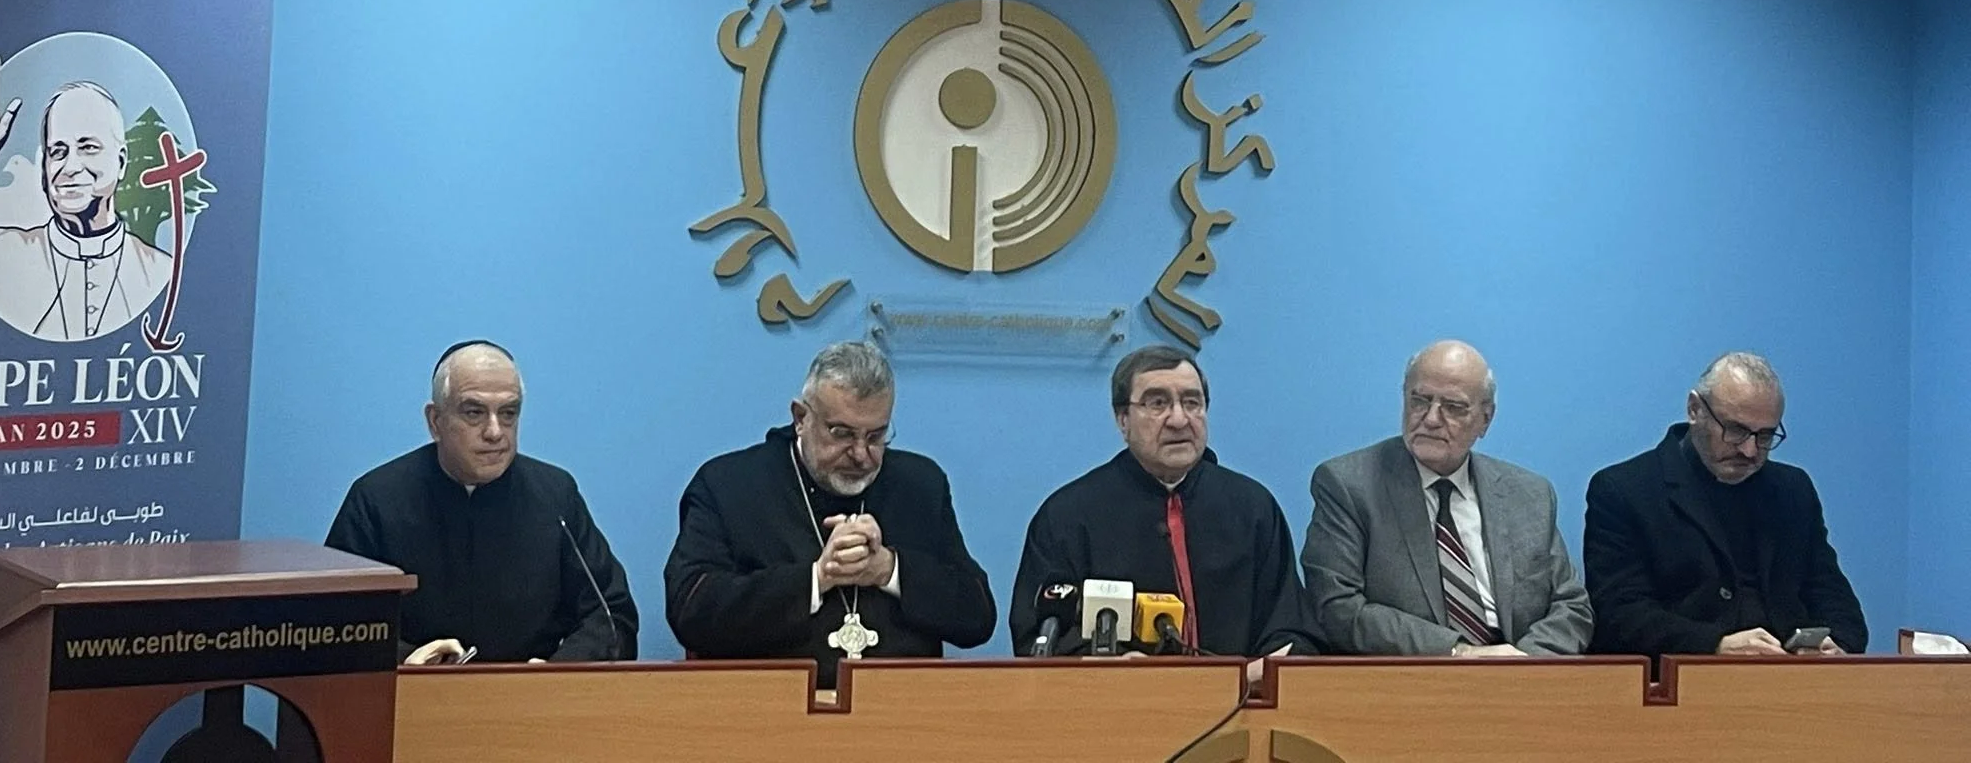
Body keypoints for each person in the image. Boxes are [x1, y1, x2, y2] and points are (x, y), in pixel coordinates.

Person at [664, 341, 995, 686]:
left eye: (876, 436)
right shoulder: (728, 486)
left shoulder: (921, 485)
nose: (861, 455)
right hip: (767, 706)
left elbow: (978, 616)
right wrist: (818, 578)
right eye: (842, 434)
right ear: (801, 418)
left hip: (900, 707)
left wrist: (889, 569)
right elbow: (690, 611)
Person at [1010, 345, 1324, 666]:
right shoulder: (1068, 515)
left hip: (1242, 692)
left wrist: (1264, 668)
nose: (1178, 419)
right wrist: (1114, 665)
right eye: (1157, 403)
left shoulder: (1253, 507)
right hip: (1119, 694)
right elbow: (1039, 635)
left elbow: (1289, 625)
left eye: (1192, 402)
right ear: (1122, 419)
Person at [326, 341, 637, 664]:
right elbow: (335, 623)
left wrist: (557, 672)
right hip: (415, 690)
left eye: (508, 413)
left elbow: (611, 614)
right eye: (474, 413)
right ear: (435, 422)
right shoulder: (376, 500)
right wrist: (405, 659)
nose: (494, 432)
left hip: (532, 691)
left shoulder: (555, 495)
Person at [1300, 340, 1591, 656]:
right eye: (1420, 401)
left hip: (1522, 671)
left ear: (1485, 419)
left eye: (1453, 407)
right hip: (1412, 676)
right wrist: (1460, 653)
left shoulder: (1530, 495)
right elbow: (1338, 607)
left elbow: (1571, 606)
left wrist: (1522, 664)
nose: (1431, 418)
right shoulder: (1350, 485)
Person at [1584, 352, 1866, 660]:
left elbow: (1834, 597)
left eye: (1765, 435)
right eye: (1736, 430)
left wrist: (1836, 643)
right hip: (1682, 677)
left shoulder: (1793, 489)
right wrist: (1714, 644)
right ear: (1695, 409)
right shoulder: (1624, 489)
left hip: (1790, 675)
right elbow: (1619, 615)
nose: (1749, 450)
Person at [0, 51, 170, 340]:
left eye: (88, 147)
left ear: (120, 162)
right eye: (58, 151)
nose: (70, 167)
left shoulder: (160, 272)